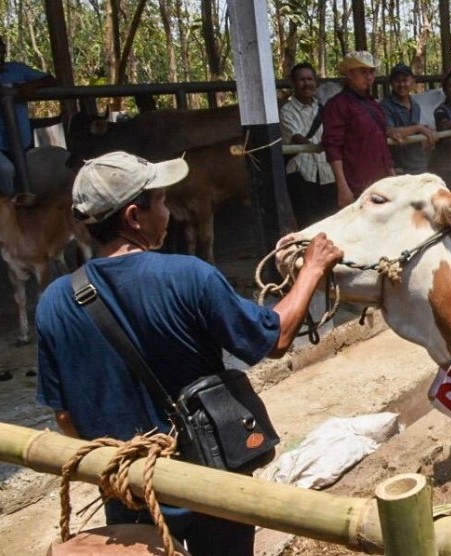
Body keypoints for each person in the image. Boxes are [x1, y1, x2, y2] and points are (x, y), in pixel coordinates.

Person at [35, 151, 342, 555]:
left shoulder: (54, 300)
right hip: (208, 478)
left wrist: (118, 453)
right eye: (161, 201)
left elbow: (63, 416)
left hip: (127, 481)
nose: (168, 211)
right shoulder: (189, 276)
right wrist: (312, 271)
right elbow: (275, 339)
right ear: (133, 217)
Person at [322, 51, 395, 207]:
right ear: (349, 74)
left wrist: (392, 174)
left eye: (371, 72)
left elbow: (382, 142)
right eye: (363, 72)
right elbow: (333, 147)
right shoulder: (337, 105)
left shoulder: (374, 105)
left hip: (381, 181)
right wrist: (342, 187)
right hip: (356, 183)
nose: (369, 77)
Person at [281, 62, 337, 228]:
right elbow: (296, 137)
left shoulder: (323, 108)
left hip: (327, 173)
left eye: (310, 79)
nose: (307, 83)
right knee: (308, 225)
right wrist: (323, 145)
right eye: (302, 80)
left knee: (332, 222)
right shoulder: (287, 111)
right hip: (302, 175)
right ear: (293, 83)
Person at [0, 35, 58, 196]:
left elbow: (52, 81)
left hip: (22, 139)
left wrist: (29, 86)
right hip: (1, 145)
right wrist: (15, 91)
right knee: (6, 170)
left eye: (1, 46)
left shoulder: (18, 69)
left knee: (32, 176)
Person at [380, 63, 436, 174]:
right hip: (399, 167)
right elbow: (389, 131)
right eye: (397, 81)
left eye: (405, 80)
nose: (401, 84)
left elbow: (413, 133)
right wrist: (418, 128)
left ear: (413, 82)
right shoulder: (385, 106)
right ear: (391, 82)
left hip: (419, 165)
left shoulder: (415, 105)